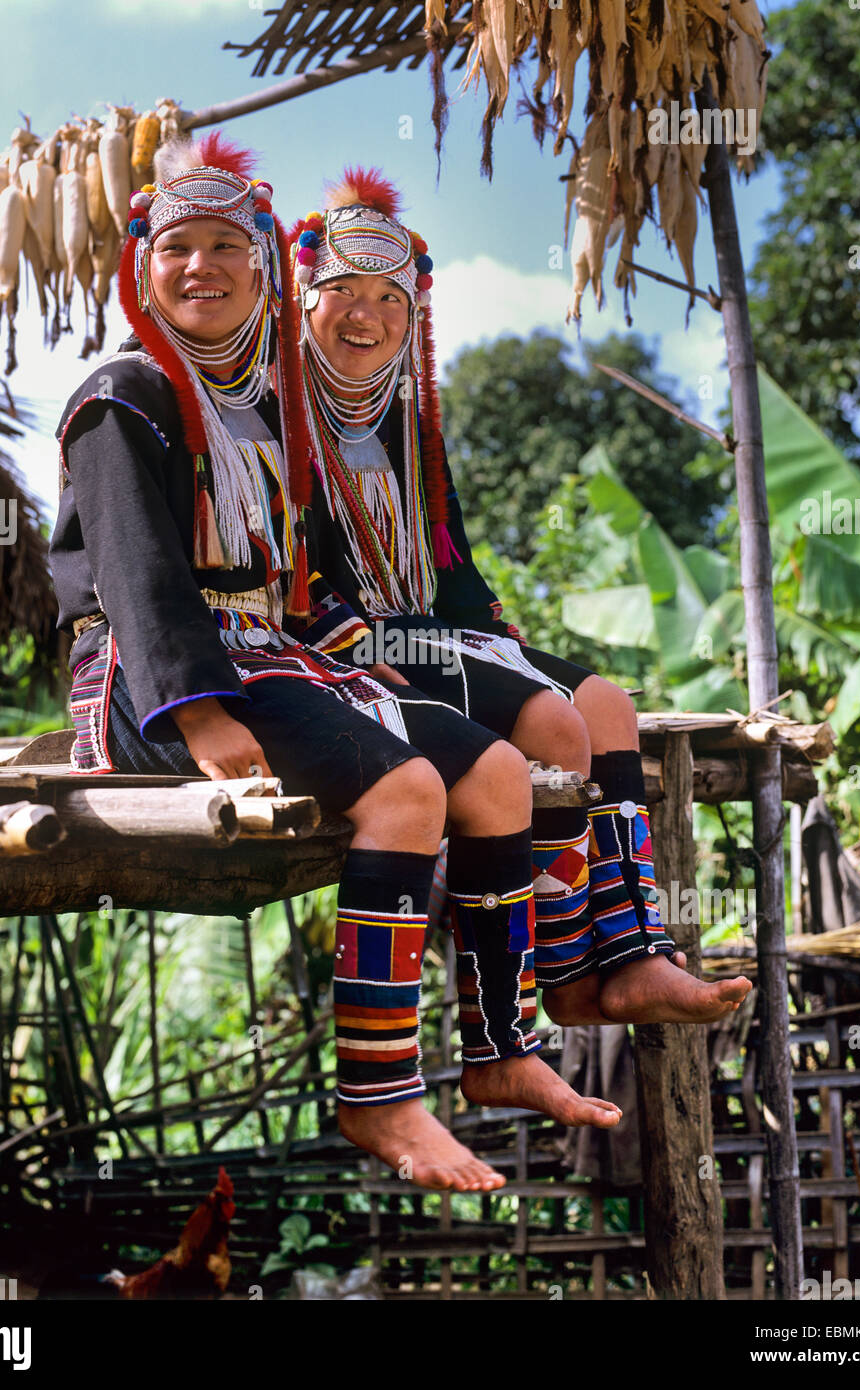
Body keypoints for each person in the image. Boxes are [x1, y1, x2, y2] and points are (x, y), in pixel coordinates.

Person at [48, 134, 621, 1195]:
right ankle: (379, 1096)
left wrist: (368, 662)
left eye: (228, 245)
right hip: (152, 679)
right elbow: (134, 577)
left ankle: (498, 1046)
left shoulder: (271, 412)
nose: (202, 268)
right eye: (180, 247)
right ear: (144, 266)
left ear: (263, 268)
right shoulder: (122, 394)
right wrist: (200, 720)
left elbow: (309, 571)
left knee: (496, 774)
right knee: (407, 791)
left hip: (275, 658)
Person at [287, 169, 752, 1028]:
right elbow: (284, 571)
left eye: (390, 298)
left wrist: (502, 638)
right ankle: (569, 982)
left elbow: (450, 562)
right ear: (301, 296)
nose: (366, 314)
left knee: (602, 702)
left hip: (424, 627)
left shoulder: (407, 422)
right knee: (550, 725)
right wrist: (378, 647)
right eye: (341, 291)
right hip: (337, 642)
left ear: (413, 315)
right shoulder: (273, 414)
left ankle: (637, 950)